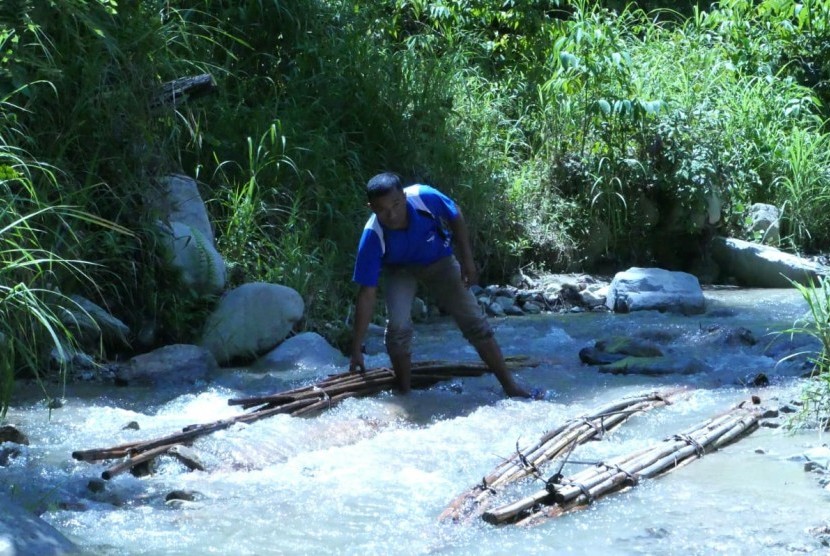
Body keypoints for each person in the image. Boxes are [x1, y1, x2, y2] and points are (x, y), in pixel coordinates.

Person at [348, 172, 531, 398]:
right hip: (399, 270)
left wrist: (467, 260)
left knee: (474, 320)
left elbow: (455, 214)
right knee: (397, 328)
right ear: (371, 207)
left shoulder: (425, 197)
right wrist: (356, 348)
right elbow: (367, 293)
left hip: (439, 261)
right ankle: (405, 393)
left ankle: (510, 386)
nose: (392, 214)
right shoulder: (371, 235)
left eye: (396, 204)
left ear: (404, 197)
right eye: (382, 210)